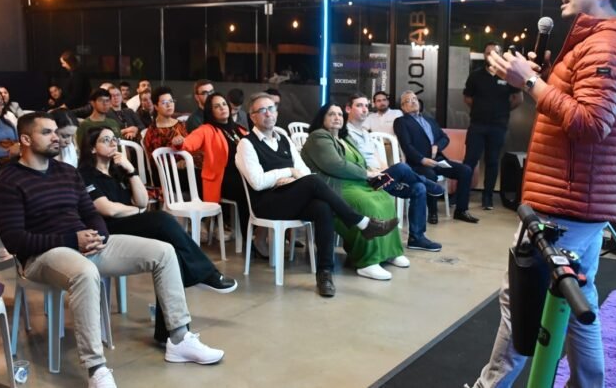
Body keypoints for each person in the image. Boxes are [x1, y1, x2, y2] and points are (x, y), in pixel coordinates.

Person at [470, 0, 616, 387]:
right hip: (577, 197)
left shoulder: (606, 44)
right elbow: (578, 105)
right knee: (575, 299)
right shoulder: (600, 40)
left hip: (566, 202)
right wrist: (535, 78)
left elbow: (590, 124)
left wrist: (532, 82)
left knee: (522, 302)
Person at [0, 112, 225, 387]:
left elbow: (91, 214)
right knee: (85, 272)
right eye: (47, 132)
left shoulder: (67, 173)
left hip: (86, 244)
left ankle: (179, 339)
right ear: (26, 139)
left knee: (163, 252)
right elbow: (16, 241)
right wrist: (72, 240)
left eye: (56, 131)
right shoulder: (7, 182)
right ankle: (96, 368)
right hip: (43, 255)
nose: (56, 137)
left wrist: (99, 236)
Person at [78, 127, 238, 339]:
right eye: (105, 140)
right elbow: (109, 210)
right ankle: (206, 273)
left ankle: (167, 334)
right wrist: (136, 211)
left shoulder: (118, 171)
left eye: (114, 139)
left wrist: (131, 171)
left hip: (128, 223)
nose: (112, 143)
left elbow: (143, 201)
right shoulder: (85, 175)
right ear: (91, 148)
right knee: (162, 219)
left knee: (171, 251)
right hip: (108, 229)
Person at [235, 93, 398, 297]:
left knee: (323, 208)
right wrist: (288, 172)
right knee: (313, 181)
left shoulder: (284, 139)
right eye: (262, 110)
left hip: (290, 198)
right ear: (252, 117)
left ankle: (324, 273)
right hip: (266, 204)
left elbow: (303, 171)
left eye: (271, 108)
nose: (268, 113)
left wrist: (292, 178)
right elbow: (257, 182)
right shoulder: (246, 144)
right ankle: (362, 222)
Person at [301, 103, 408, 281]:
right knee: (367, 204)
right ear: (322, 118)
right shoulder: (318, 136)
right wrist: (366, 173)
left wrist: (371, 172)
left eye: (339, 115)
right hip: (335, 187)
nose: (337, 117)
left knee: (384, 197)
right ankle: (367, 261)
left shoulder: (345, 138)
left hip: (356, 184)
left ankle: (389, 252)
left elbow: (360, 162)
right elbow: (335, 165)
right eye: (331, 114)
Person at [344, 93, 444, 252]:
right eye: (359, 105)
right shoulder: (345, 133)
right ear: (348, 109)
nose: (364, 110)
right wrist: (373, 172)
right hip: (366, 181)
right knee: (402, 168)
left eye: (366, 106)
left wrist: (385, 171)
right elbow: (349, 161)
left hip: (381, 179)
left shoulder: (365, 133)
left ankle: (416, 238)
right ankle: (429, 184)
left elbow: (377, 159)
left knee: (418, 188)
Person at [174, 92, 250, 246]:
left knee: (264, 186)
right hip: (222, 180)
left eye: (224, 104)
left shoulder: (239, 130)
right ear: (210, 111)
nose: (222, 108)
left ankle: (262, 231)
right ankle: (249, 238)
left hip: (243, 175)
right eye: (216, 106)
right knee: (248, 189)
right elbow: (189, 144)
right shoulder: (206, 130)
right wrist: (180, 142)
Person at [394, 90, 478, 224]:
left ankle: (461, 210)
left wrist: (437, 146)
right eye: (408, 101)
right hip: (418, 163)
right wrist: (422, 160)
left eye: (414, 99)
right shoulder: (401, 122)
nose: (413, 102)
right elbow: (407, 146)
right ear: (403, 107)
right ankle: (432, 211)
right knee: (430, 175)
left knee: (466, 170)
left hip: (438, 160)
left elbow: (444, 138)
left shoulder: (429, 120)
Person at [463, 42, 524, 210]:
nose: (490, 55)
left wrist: (501, 110)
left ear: (500, 55)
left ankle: (487, 197)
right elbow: (467, 98)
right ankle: (462, 195)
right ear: (484, 55)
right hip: (477, 125)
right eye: (487, 53)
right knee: (470, 160)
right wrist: (480, 109)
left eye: (494, 53)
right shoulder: (475, 76)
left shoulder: (508, 76)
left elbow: (518, 99)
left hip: (498, 126)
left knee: (492, 161)